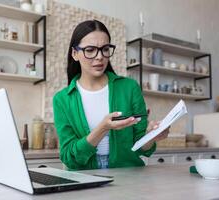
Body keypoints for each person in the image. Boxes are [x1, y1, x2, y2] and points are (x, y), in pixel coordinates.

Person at [53, 20, 169, 170]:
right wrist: (102, 128)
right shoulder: (62, 100)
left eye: (105, 49)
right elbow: (69, 158)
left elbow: (141, 148)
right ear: (75, 54)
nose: (100, 56)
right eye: (90, 50)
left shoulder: (130, 88)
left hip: (128, 176)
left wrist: (152, 136)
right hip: (85, 177)